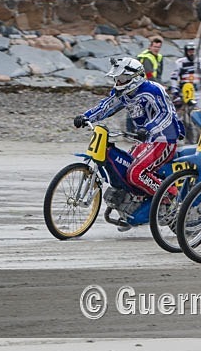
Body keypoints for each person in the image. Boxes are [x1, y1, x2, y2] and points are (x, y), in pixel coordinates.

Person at [74, 57, 185, 230]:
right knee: (125, 170)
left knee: (136, 173)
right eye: (117, 79)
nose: (118, 82)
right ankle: (133, 208)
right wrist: (86, 116)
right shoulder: (123, 93)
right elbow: (106, 106)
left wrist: (149, 128)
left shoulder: (153, 90)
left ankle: (169, 196)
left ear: (135, 77)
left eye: (122, 79)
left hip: (164, 139)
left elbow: (166, 114)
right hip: (144, 140)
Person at [170, 41, 201, 110]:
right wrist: (174, 90)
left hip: (198, 92)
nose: (192, 53)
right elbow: (174, 78)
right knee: (180, 110)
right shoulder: (180, 62)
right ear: (186, 52)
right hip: (184, 91)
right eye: (189, 51)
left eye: (193, 51)